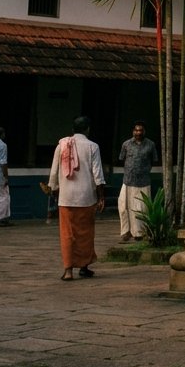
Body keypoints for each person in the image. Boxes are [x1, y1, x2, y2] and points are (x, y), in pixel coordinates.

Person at [48, 116, 106, 281]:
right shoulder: (92, 146)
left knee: (67, 234)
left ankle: (68, 271)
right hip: (86, 197)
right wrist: (101, 196)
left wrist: (53, 189)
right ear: (87, 129)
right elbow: (98, 174)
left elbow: (54, 171)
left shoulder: (62, 144)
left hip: (66, 197)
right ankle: (84, 266)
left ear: (73, 129)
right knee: (85, 233)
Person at [117, 121, 159, 243]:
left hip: (143, 181)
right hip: (128, 180)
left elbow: (154, 160)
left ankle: (139, 233)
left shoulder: (150, 145)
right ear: (133, 131)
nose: (138, 133)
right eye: (136, 130)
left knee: (141, 208)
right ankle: (126, 232)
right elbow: (121, 158)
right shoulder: (126, 144)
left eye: (141, 130)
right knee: (123, 206)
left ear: (144, 132)